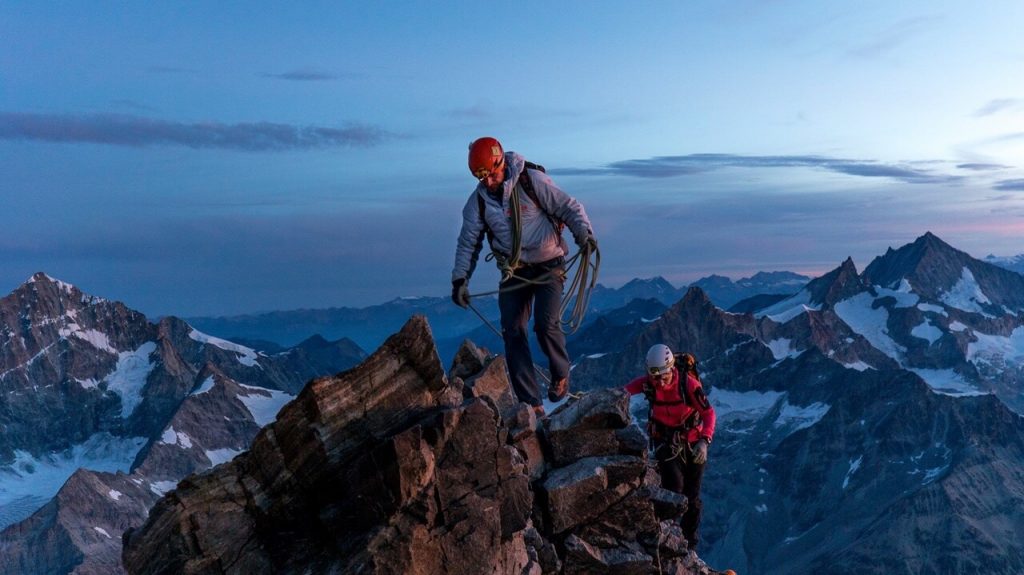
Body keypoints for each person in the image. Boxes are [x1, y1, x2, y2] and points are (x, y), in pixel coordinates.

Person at [451, 136, 596, 416]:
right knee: (513, 330)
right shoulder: (477, 203)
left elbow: (568, 207)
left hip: (548, 264)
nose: (488, 182)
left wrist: (584, 235)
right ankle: (531, 403)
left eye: (491, 174)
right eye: (481, 177)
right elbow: (468, 242)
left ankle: (560, 374)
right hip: (514, 270)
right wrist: (460, 279)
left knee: (545, 324)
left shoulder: (532, 181)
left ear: (501, 162)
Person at [625, 344, 716, 551]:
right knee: (673, 488)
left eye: (662, 377)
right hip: (666, 442)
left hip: (693, 443)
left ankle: (688, 545)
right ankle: (665, 534)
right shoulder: (649, 384)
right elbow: (624, 391)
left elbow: (708, 414)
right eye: (654, 377)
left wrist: (704, 441)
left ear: (671, 369)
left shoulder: (688, 385)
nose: (658, 382)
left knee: (692, 497)